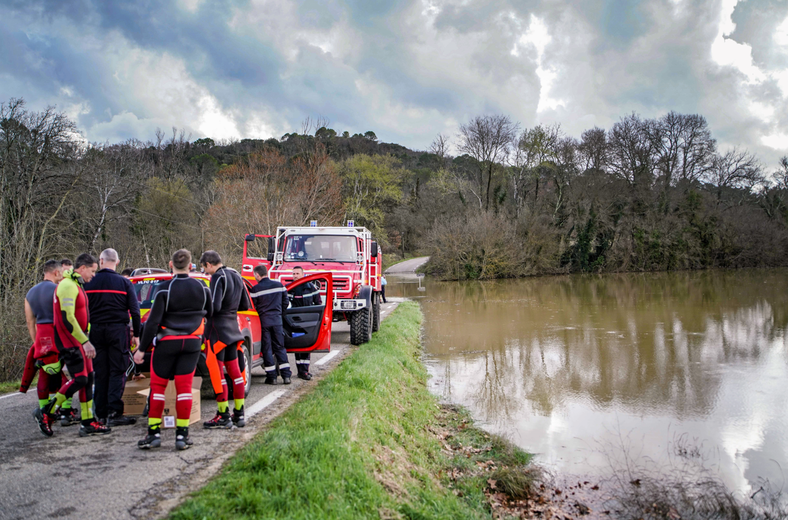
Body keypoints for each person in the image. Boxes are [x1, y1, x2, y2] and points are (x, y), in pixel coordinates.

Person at [134, 249, 212, 450]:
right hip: (193, 342)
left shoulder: (164, 289)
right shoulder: (203, 288)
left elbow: (152, 323)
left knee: (158, 387)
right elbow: (211, 314)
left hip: (167, 341)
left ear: (171, 264)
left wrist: (142, 349)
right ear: (190, 265)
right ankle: (182, 436)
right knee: (184, 388)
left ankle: (153, 434)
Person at [37, 253, 110, 437]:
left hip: (79, 339)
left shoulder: (76, 284)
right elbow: (67, 317)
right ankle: (46, 411)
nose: (93, 276)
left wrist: (87, 336)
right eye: (92, 271)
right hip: (70, 341)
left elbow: (82, 315)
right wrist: (85, 342)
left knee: (88, 378)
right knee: (81, 379)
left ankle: (87, 421)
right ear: (82, 268)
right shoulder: (68, 285)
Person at [84, 248, 142, 426]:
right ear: (117, 262)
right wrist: (137, 336)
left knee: (100, 371)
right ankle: (114, 411)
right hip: (118, 330)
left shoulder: (88, 283)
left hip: (96, 331)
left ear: (101, 261)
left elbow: (82, 310)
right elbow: (135, 311)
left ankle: (100, 412)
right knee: (117, 370)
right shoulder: (123, 283)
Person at [200, 250, 249, 428]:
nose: (205, 272)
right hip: (233, 329)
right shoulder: (236, 275)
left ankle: (223, 415)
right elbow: (245, 304)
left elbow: (215, 306)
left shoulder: (217, 277)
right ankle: (239, 413)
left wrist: (203, 309)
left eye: (205, 269)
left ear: (209, 264)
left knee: (217, 373)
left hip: (217, 331)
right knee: (235, 373)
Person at [20, 260, 67, 436]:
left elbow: (29, 321)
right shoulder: (58, 289)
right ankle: (58, 411)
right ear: (56, 272)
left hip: (41, 335)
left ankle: (44, 409)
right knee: (69, 375)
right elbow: (65, 315)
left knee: (45, 372)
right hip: (57, 334)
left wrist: (36, 342)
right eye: (61, 273)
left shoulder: (30, 293)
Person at [250, 264, 291, 385]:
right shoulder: (279, 286)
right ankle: (286, 376)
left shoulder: (255, 290)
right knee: (280, 347)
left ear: (257, 275)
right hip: (277, 321)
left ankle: (272, 377)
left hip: (264, 322)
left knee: (267, 348)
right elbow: (286, 302)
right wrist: (279, 314)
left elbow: (254, 307)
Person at [287, 266, 321, 380]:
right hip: (294, 321)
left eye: (297, 273)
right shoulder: (289, 288)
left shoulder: (311, 288)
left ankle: (304, 371)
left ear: (303, 274)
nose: (295, 276)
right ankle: (300, 371)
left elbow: (318, 303)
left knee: (306, 346)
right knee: (298, 345)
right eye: (294, 273)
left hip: (308, 321)